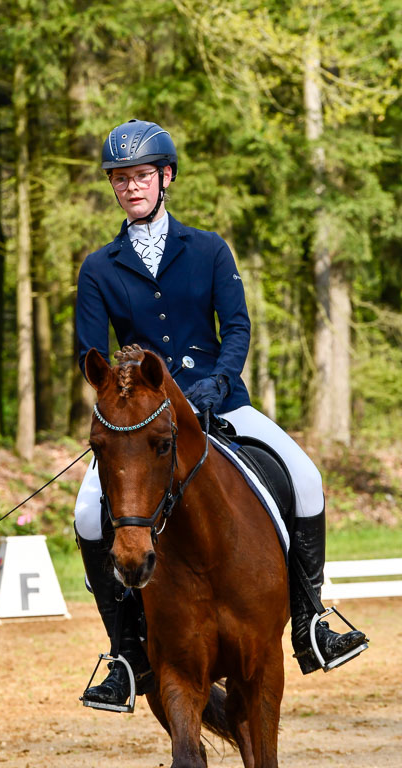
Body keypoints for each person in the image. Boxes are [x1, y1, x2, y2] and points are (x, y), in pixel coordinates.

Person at [74, 118, 367, 708]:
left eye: (140, 175)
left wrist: (217, 382)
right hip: (144, 421)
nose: (131, 187)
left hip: (220, 400)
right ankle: (126, 653)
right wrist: (121, 400)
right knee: (87, 513)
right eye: (120, 178)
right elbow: (92, 358)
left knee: (306, 480)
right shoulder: (99, 268)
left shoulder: (207, 248)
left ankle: (312, 623)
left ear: (166, 177)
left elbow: (236, 326)